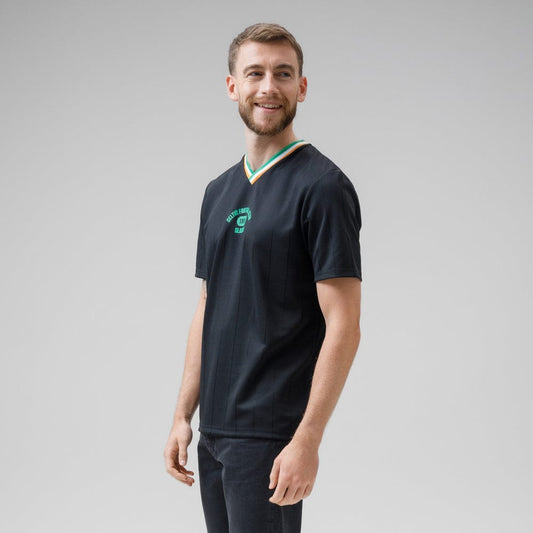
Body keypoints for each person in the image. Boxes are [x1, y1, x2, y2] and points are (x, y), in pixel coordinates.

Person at [164, 22, 362, 533]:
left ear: (302, 87)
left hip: (271, 434)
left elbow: (343, 325)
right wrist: (183, 415)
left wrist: (307, 439)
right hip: (214, 433)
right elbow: (208, 305)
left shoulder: (323, 188)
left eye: (283, 73)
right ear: (233, 86)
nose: (268, 86)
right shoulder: (218, 191)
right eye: (255, 73)